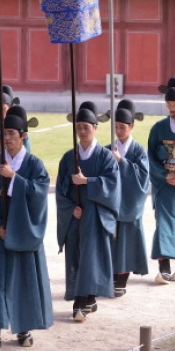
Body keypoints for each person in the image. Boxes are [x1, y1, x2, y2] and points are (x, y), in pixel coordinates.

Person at [0, 107, 52, 350]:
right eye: (3, 134)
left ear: (24, 136)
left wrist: (14, 179)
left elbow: (39, 196)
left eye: (11, 133)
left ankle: (23, 329)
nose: (6, 138)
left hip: (23, 234)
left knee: (23, 281)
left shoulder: (34, 166)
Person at [56, 107, 120, 321]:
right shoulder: (68, 158)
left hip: (95, 213)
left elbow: (113, 185)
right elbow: (60, 189)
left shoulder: (105, 157)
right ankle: (86, 297)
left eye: (86, 127)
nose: (82, 131)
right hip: (75, 214)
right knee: (75, 253)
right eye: (79, 127)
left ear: (95, 128)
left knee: (90, 256)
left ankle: (81, 301)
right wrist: (69, 208)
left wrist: (87, 181)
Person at [148, 77, 175, 283]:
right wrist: (165, 175)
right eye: (168, 104)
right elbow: (150, 156)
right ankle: (164, 267)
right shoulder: (158, 128)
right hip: (165, 184)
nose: (172, 108)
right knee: (163, 224)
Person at [107, 100, 149, 295]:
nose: (119, 131)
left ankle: (122, 279)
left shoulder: (139, 151)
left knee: (127, 244)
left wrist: (121, 162)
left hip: (129, 203)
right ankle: (111, 276)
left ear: (131, 126)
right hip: (111, 202)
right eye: (116, 127)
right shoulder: (108, 149)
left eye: (122, 127)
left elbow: (142, 177)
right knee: (111, 242)